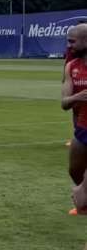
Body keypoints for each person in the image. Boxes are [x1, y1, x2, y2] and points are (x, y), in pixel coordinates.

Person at [61, 24, 87, 215]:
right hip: (83, 127)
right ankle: (84, 199)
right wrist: (78, 97)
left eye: (72, 41)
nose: (69, 45)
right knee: (74, 170)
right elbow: (64, 103)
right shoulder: (72, 65)